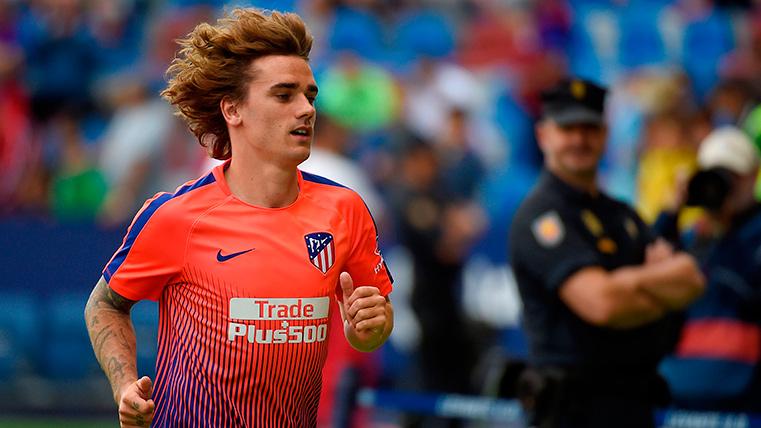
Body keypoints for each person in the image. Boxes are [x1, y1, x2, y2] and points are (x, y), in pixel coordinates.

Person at [83, 8, 394, 428]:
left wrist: (371, 326)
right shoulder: (176, 215)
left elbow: (370, 328)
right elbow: (104, 305)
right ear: (233, 110)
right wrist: (124, 386)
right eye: (284, 95)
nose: (306, 109)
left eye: (310, 96)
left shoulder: (345, 208)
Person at [508, 78, 705, 428]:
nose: (580, 139)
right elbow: (603, 304)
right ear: (544, 136)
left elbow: (690, 282)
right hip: (571, 412)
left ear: (605, 134)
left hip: (634, 405)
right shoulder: (541, 217)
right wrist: (656, 286)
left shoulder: (622, 215)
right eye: (568, 128)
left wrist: (626, 285)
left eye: (590, 128)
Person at [658, 126, 761, 414]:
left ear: (753, 175)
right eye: (715, 176)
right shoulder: (692, 237)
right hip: (681, 396)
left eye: (733, 177)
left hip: (746, 398)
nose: (724, 187)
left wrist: (726, 233)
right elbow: (646, 270)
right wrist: (671, 211)